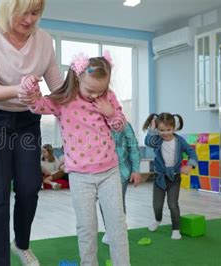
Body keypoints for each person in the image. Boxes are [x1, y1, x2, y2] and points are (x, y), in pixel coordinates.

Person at [0, 0, 63, 265]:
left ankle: (21, 244)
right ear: (8, 8)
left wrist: (89, 98)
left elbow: (58, 89)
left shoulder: (44, 41)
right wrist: (16, 91)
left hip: (26, 119)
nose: (30, 19)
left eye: (36, 13)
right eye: (24, 12)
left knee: (30, 186)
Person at [24, 52, 131, 265]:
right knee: (86, 228)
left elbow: (120, 125)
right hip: (80, 177)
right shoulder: (65, 100)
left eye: (100, 91)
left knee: (117, 225)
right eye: (90, 90)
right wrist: (31, 88)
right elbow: (37, 106)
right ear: (77, 78)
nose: (95, 95)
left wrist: (110, 113)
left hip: (109, 172)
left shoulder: (107, 96)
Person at [143, 112, 198, 240]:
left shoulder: (180, 141)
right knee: (157, 204)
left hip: (174, 178)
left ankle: (176, 228)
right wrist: (151, 130)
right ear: (157, 129)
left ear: (174, 128)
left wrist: (189, 165)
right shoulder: (157, 140)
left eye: (169, 130)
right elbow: (148, 142)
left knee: (173, 204)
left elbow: (192, 153)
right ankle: (158, 219)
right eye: (161, 130)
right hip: (159, 177)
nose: (165, 133)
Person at [100, 121, 141, 245]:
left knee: (118, 202)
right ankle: (109, 230)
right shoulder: (95, 122)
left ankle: (120, 230)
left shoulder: (124, 125)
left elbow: (133, 147)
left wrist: (136, 170)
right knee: (103, 202)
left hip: (120, 171)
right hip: (100, 171)